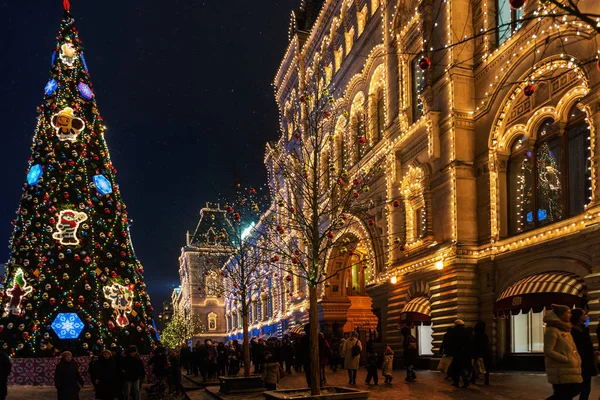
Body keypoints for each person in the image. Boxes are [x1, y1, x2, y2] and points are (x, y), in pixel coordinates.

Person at [544, 304, 582, 400]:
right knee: (563, 394)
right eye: (568, 312)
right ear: (560, 315)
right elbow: (548, 350)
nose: (570, 315)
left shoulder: (565, 329)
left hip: (569, 368)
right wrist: (565, 359)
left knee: (573, 391)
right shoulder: (552, 330)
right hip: (560, 369)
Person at [571, 308, 595, 399]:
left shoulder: (584, 328)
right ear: (578, 317)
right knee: (577, 388)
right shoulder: (572, 330)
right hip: (578, 361)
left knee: (586, 387)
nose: (586, 316)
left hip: (587, 361)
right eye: (584, 314)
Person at [448, 320, 471, 388]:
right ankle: (464, 381)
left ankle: (457, 382)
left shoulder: (454, 331)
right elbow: (469, 342)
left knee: (457, 368)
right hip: (465, 353)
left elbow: (452, 342)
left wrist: (450, 352)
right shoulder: (466, 331)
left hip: (457, 352)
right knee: (462, 367)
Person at [471, 321, 490, 385]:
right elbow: (486, 344)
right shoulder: (485, 335)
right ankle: (486, 380)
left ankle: (473, 379)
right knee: (486, 367)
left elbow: (474, 345)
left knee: (475, 366)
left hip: (477, 353)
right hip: (485, 353)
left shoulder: (476, 335)